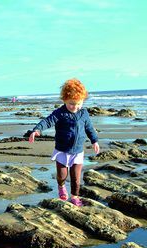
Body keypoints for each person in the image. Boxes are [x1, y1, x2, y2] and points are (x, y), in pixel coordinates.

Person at [28, 78, 100, 207]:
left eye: (79, 103)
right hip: (62, 150)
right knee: (62, 175)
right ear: (65, 100)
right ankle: (61, 186)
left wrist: (94, 141)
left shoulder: (84, 114)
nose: (75, 107)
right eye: (72, 103)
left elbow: (89, 128)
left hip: (77, 151)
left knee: (76, 178)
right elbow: (48, 121)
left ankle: (75, 196)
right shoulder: (60, 113)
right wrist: (37, 130)